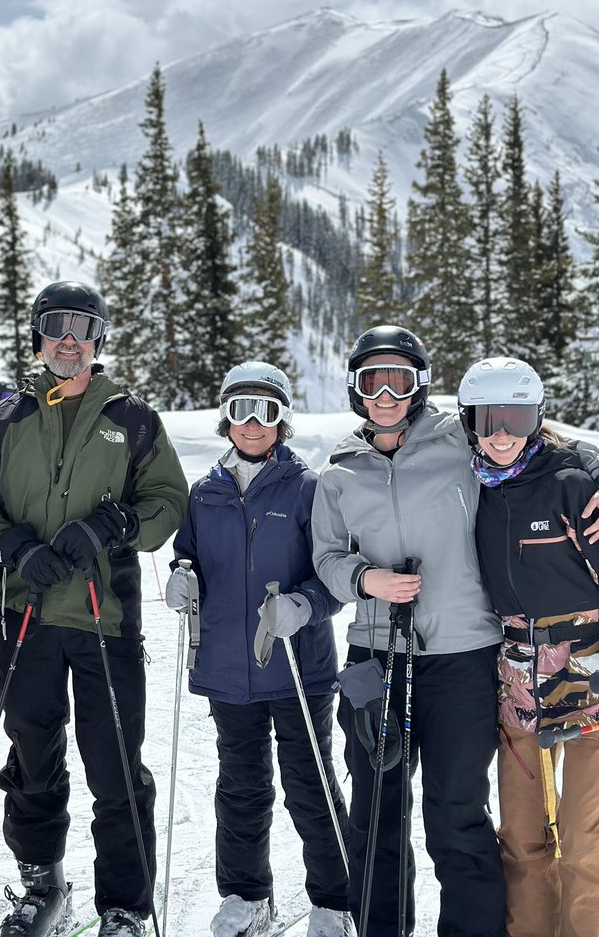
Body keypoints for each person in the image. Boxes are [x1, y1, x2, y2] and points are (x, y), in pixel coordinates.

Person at [311, 325, 599, 937]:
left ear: (420, 386)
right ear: (355, 388)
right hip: (376, 655)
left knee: (457, 811)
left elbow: (548, 443)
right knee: (378, 812)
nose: (385, 394)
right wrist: (364, 579)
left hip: (462, 656)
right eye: (371, 380)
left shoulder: (462, 441)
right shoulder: (338, 473)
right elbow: (325, 558)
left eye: (398, 379)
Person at [0, 281, 188, 937]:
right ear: (38, 337)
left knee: (116, 765)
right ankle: (42, 883)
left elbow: (167, 503)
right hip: (23, 612)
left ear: (100, 338)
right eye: (55, 325)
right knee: (32, 756)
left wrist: (112, 524)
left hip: (104, 620)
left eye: (83, 326)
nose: (69, 338)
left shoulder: (135, 420)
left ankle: (123, 906)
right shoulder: (1, 420)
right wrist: (12, 544)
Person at [457, 356, 599, 937]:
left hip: (589, 674)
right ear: (468, 420)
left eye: (516, 418)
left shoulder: (573, 484)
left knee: (587, 839)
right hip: (516, 675)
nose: (501, 435)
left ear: (537, 417)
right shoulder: (472, 490)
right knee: (522, 839)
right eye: (488, 419)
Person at [167, 362, 350, 937]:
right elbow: (188, 555)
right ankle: (247, 896)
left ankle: (335, 900)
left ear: (282, 420)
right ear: (226, 418)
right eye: (241, 409)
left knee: (310, 783)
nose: (252, 423)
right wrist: (181, 576)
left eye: (266, 411)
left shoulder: (308, 488)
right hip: (228, 667)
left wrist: (304, 605)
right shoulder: (206, 493)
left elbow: (334, 576)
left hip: (297, 666)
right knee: (240, 787)